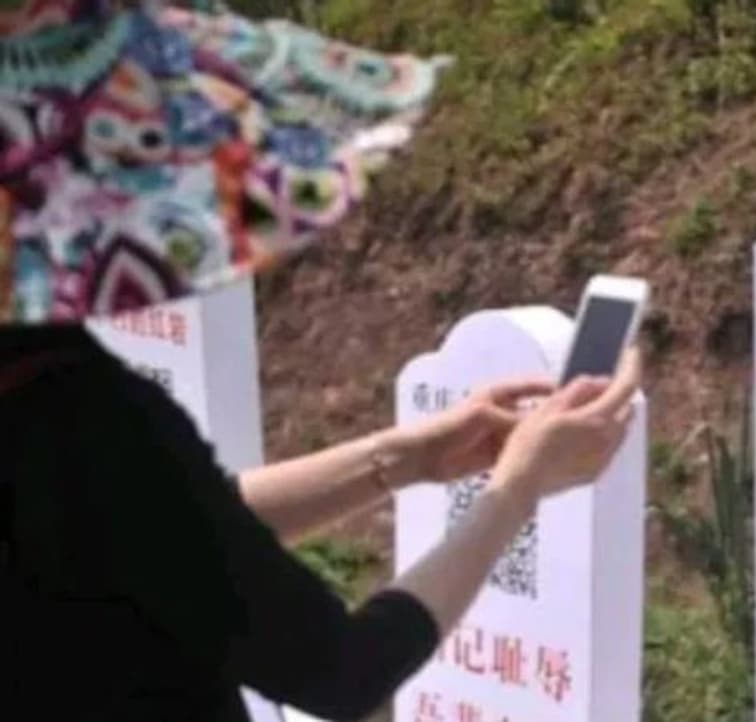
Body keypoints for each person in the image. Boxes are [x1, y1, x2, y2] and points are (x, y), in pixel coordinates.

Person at [0, 2, 644, 721]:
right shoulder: (81, 414)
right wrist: (517, 490)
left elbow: (172, 527)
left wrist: (403, 460)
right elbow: (341, 672)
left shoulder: (55, 411)